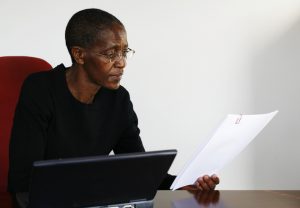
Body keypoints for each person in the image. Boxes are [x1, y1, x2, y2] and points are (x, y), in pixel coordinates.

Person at [8, 8, 219, 205]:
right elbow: (25, 180)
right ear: (79, 55)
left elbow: (139, 170)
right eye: (110, 54)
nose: (121, 62)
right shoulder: (40, 90)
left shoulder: (118, 99)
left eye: (124, 52)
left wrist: (180, 185)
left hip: (93, 201)